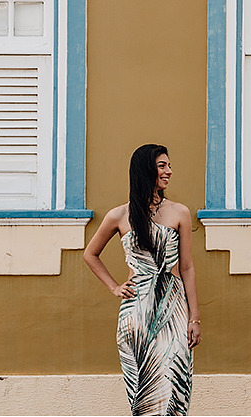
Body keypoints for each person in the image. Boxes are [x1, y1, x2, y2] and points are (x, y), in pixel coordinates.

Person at [84, 144, 201, 416]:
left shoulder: (179, 212)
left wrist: (194, 317)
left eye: (169, 165)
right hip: (136, 312)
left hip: (173, 309)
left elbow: (187, 268)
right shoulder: (119, 215)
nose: (169, 171)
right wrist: (114, 286)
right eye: (162, 166)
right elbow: (90, 254)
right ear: (146, 169)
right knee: (142, 388)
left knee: (174, 384)